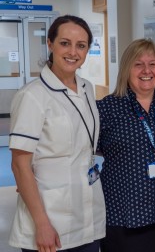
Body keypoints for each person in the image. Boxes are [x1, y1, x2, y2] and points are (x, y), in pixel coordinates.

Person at [9, 15, 105, 252]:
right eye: (65, 43)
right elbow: (20, 165)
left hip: (86, 215)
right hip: (49, 221)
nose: (73, 52)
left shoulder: (86, 88)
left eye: (81, 45)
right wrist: (42, 224)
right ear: (50, 44)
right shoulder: (32, 95)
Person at [96, 38, 155, 252]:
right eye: (138, 64)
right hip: (124, 216)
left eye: (152, 64)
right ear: (127, 69)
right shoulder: (106, 108)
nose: (147, 70)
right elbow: (84, 152)